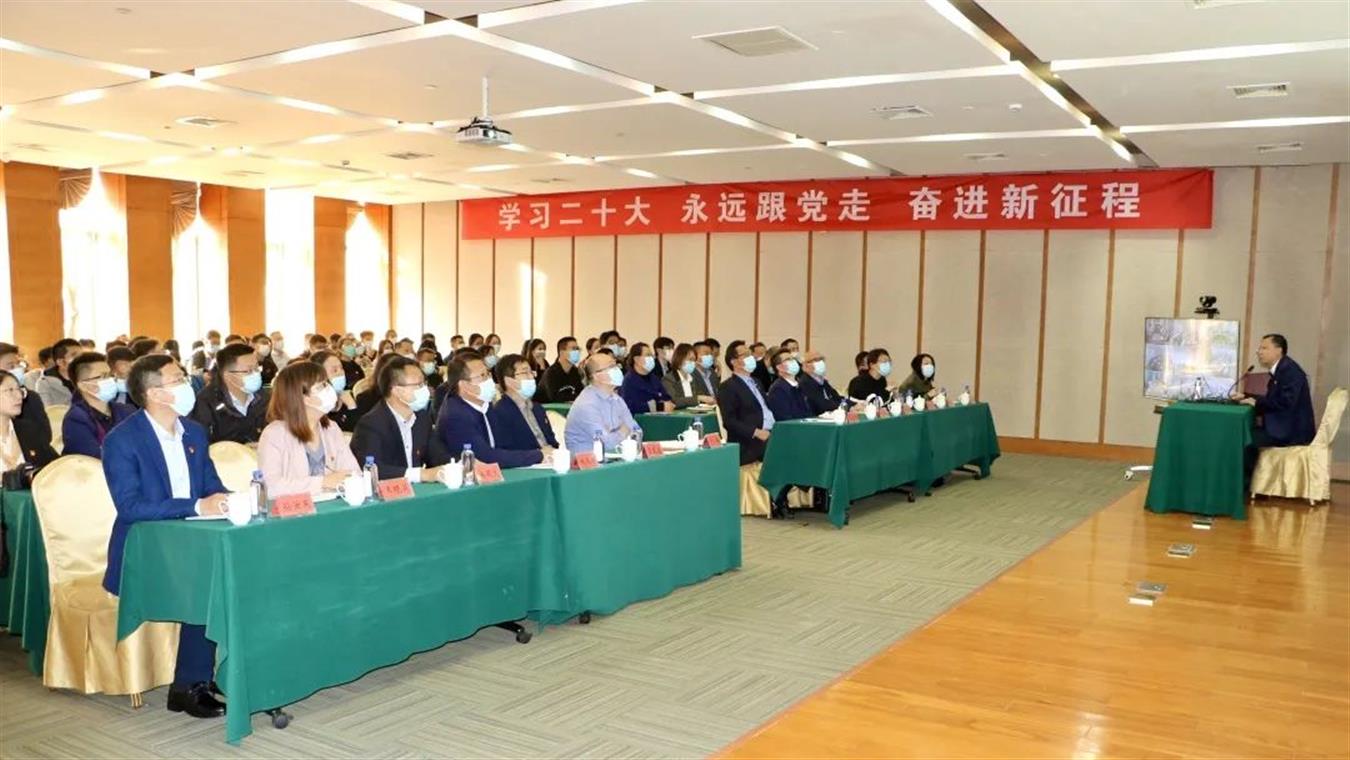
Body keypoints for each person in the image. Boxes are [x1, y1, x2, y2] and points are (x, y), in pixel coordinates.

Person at [101, 354, 229, 719]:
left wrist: (229, 501)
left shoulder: (194, 432)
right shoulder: (122, 440)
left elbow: (211, 486)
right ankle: (189, 685)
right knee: (206, 581)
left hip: (193, 539)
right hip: (145, 547)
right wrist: (195, 506)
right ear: (155, 393)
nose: (187, 384)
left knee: (235, 568)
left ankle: (228, 670)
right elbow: (130, 507)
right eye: (178, 379)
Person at [257, 361, 360, 497]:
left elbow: (354, 472)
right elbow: (270, 487)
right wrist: (323, 482)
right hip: (296, 508)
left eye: (327, 383)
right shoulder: (274, 434)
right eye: (322, 386)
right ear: (303, 397)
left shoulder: (331, 428)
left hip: (333, 503)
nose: (329, 389)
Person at [349, 356, 446, 482]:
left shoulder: (422, 418)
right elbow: (373, 469)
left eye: (424, 383)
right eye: (418, 385)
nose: (425, 389)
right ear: (397, 390)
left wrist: (458, 465)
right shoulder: (371, 424)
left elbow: (438, 456)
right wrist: (421, 475)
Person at [437, 354, 544, 469]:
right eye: (483, 376)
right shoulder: (456, 415)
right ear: (464, 385)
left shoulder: (485, 404)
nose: (489, 380)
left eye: (488, 373)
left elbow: (504, 445)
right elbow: (484, 457)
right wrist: (538, 455)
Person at [1231, 334, 1317, 472]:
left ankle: (1248, 481)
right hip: (1282, 425)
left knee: (1244, 440)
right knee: (1245, 434)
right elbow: (1274, 399)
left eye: (1264, 348)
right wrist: (1246, 397)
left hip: (1290, 432)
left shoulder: (1290, 372)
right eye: (1259, 348)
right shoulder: (1283, 368)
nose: (1259, 352)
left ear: (1279, 350)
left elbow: (1285, 402)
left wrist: (1256, 402)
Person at [189, 343, 268, 445]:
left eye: (257, 369)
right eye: (249, 371)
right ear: (228, 376)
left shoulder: (263, 397)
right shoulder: (206, 402)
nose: (256, 374)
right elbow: (201, 443)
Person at [61, 351, 135, 458]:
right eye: (104, 376)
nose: (111, 380)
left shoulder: (127, 410)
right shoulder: (76, 419)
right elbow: (92, 458)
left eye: (111, 375)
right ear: (83, 385)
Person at [564, 353, 639, 455]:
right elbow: (605, 443)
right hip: (587, 461)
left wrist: (615, 433)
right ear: (596, 376)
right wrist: (623, 431)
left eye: (616, 365)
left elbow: (636, 430)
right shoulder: (587, 404)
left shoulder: (616, 399)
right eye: (611, 366)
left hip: (614, 456)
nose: (617, 369)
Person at [715, 340, 774, 466]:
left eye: (750, 354)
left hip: (771, 433)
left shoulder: (757, 382)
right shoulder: (728, 387)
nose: (751, 358)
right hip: (750, 441)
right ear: (734, 361)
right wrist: (756, 432)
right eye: (745, 355)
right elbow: (729, 421)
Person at [489, 353, 559, 456]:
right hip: (528, 462)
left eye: (531, 372)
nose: (531, 377)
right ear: (509, 381)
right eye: (525, 373)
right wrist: (539, 454)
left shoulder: (537, 408)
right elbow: (506, 452)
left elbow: (552, 442)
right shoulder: (499, 413)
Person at [0, 371, 57, 473]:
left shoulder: (30, 430)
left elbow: (56, 466)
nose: (19, 396)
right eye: (10, 390)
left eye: (19, 389)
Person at [0, 343, 52, 442]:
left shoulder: (30, 397)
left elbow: (45, 436)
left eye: (18, 364)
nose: (18, 369)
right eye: (11, 366)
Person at [308, 350, 361, 431]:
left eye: (341, 368)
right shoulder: (318, 407)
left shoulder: (353, 396)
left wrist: (352, 407)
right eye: (334, 370)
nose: (341, 373)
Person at [620, 342, 673, 414]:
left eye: (651, 355)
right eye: (648, 355)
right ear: (636, 359)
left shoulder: (653, 378)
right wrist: (659, 406)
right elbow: (632, 406)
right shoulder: (629, 380)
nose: (651, 358)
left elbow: (666, 397)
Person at [663, 343, 716, 409]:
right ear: (680, 359)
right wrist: (698, 398)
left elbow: (701, 395)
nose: (693, 363)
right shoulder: (669, 379)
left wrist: (708, 400)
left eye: (694, 360)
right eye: (690, 359)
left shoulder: (693, 378)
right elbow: (674, 401)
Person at [765, 348, 812, 422]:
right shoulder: (778, 389)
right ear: (779, 367)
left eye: (792, 359)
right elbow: (785, 419)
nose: (793, 361)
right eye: (788, 359)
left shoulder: (800, 385)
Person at [35, 338, 81, 408]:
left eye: (82, 355)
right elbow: (47, 411)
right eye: (74, 356)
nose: (81, 359)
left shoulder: (87, 378)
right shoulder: (44, 383)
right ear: (61, 362)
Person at [799, 350, 844, 415]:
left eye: (821, 359)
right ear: (806, 365)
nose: (820, 362)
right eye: (815, 360)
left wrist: (853, 404)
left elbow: (837, 397)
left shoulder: (823, 381)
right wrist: (844, 406)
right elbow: (822, 405)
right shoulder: (805, 383)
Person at [542, 336, 584, 403]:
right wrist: (573, 398)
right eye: (573, 349)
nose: (577, 352)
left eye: (577, 349)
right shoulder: (551, 373)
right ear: (562, 352)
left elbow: (581, 394)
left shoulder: (575, 372)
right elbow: (554, 397)